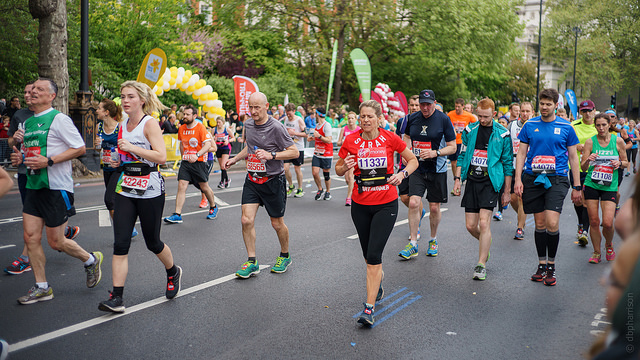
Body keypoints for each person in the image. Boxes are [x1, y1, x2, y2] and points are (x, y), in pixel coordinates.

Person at [9, 78, 102, 304]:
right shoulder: (28, 122)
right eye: (32, 90)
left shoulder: (59, 119)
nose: (33, 92)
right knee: (30, 236)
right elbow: (33, 152)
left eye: (40, 89)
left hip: (56, 187)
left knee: (56, 242)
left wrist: (49, 161)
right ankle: (42, 286)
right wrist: (20, 158)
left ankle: (90, 260)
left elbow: (80, 147)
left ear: (51, 96)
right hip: (33, 185)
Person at [98, 80, 182, 313]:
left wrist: (132, 149)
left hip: (150, 188)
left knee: (152, 242)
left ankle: (173, 271)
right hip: (126, 186)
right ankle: (117, 297)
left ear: (142, 100)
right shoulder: (123, 124)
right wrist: (119, 159)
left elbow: (161, 157)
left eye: (130, 97)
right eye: (123, 96)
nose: (125, 101)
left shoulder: (150, 123)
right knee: (120, 243)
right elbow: (126, 156)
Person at [336, 100, 418, 326]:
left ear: (379, 118)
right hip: (360, 204)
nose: (364, 120)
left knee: (374, 256)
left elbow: (412, 160)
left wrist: (402, 176)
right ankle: (377, 284)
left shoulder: (390, 138)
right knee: (367, 255)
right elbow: (338, 166)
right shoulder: (351, 140)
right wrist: (345, 166)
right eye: (362, 116)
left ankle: (369, 308)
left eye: (369, 116)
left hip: (386, 203)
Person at [223, 92, 298, 278]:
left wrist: (272, 155)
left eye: (257, 107)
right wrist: (236, 159)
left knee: (277, 224)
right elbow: (251, 147)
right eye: (251, 107)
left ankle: (285, 255)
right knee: (246, 220)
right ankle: (252, 261)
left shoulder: (276, 127)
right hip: (253, 180)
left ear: (266, 106)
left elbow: (294, 152)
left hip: (273, 181)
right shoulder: (248, 124)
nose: (254, 111)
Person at [514, 88, 582, 287]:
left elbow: (573, 158)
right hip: (533, 177)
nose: (544, 107)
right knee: (540, 223)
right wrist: (518, 179)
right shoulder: (530, 125)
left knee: (552, 222)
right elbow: (521, 154)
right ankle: (541, 264)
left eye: (548, 104)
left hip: (557, 178)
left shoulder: (566, 126)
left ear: (556, 105)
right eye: (542, 104)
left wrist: (577, 186)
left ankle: (551, 266)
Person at [453, 98, 513, 280]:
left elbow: (508, 164)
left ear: (493, 114)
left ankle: (481, 264)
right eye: (479, 115)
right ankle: (485, 241)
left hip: (490, 181)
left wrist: (507, 191)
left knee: (485, 223)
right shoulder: (470, 130)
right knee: (471, 226)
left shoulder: (502, 134)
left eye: (486, 116)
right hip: (472, 180)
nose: (482, 119)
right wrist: (457, 179)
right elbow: (462, 155)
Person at [398, 90, 456, 259]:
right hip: (417, 167)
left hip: (437, 169)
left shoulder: (443, 119)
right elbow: (407, 137)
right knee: (414, 202)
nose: (424, 107)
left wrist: (435, 153)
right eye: (422, 104)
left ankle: (433, 239)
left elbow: (452, 147)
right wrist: (406, 152)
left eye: (428, 104)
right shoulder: (412, 118)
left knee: (433, 207)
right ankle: (413, 243)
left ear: (434, 103)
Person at [581, 113, 627, 264]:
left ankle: (608, 244)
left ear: (609, 125)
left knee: (607, 223)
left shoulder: (618, 141)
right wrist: (588, 159)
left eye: (603, 125)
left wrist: (619, 164)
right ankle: (596, 252)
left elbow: (626, 162)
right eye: (598, 125)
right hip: (592, 184)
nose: (601, 128)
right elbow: (583, 167)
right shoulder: (590, 142)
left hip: (609, 186)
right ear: (595, 126)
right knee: (594, 221)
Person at [163, 104, 219, 224]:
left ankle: (213, 206)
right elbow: (181, 144)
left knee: (204, 187)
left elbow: (209, 145)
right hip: (186, 163)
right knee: (181, 185)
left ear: (194, 115)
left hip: (199, 162)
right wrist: (184, 156)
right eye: (184, 114)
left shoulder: (201, 128)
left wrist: (197, 155)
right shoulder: (182, 128)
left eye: (188, 114)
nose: (185, 116)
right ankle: (177, 214)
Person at [96, 99, 138, 238]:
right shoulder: (99, 127)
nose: (96, 110)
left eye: (99, 108)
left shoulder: (120, 127)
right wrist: (98, 145)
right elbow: (98, 150)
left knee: (109, 199)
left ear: (106, 112)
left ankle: (123, 230)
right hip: (106, 168)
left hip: (119, 168)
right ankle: (128, 227)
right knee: (117, 200)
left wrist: (119, 156)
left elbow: (127, 148)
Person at [395, 95, 427, 241]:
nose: (414, 107)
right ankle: (420, 211)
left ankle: (417, 226)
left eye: (416, 105)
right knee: (404, 198)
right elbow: (396, 140)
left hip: (418, 165)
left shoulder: (425, 121)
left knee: (414, 199)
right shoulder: (402, 122)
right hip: (403, 164)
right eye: (411, 105)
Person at [571, 99, 598, 246]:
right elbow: (567, 142)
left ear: (594, 110)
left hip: (594, 169)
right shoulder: (574, 125)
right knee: (578, 199)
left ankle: (585, 231)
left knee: (587, 200)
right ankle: (581, 223)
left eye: (589, 110)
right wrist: (578, 145)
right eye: (584, 111)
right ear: (580, 112)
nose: (587, 114)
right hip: (576, 168)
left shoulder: (598, 126)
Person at [507, 101, 533, 239]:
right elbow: (507, 145)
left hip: (528, 167)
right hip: (513, 165)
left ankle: (520, 227)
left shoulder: (535, 126)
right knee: (513, 198)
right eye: (522, 111)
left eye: (527, 111)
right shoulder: (511, 126)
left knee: (522, 197)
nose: (524, 114)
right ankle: (522, 215)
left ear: (532, 113)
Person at [448, 98, 477, 196]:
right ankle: (456, 178)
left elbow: (476, 124)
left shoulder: (468, 116)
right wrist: (452, 129)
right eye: (455, 106)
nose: (456, 108)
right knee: (453, 163)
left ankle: (460, 179)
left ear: (463, 106)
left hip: (463, 142)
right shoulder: (450, 115)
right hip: (452, 141)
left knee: (461, 161)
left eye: (458, 107)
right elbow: (446, 126)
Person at [308, 107, 333, 200]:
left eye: (315, 113)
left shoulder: (327, 125)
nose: (314, 115)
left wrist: (319, 136)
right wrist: (312, 138)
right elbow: (319, 137)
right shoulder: (317, 125)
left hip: (326, 153)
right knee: (315, 173)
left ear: (317, 114)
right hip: (317, 153)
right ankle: (320, 189)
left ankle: (328, 191)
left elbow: (329, 140)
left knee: (326, 175)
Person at [282, 103, 306, 198]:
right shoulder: (285, 119)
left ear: (294, 111)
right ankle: (291, 185)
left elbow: (306, 134)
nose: (288, 116)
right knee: (285, 168)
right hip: (287, 147)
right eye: (287, 114)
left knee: (297, 169)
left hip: (298, 148)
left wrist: (294, 133)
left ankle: (300, 188)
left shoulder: (299, 120)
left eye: (290, 114)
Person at [336, 111, 360, 205]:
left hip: (354, 155)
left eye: (352, 118)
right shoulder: (344, 129)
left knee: (350, 176)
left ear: (356, 120)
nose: (350, 120)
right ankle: (353, 190)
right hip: (345, 155)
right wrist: (344, 142)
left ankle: (349, 198)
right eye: (349, 118)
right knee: (347, 178)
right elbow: (338, 142)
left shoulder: (359, 130)